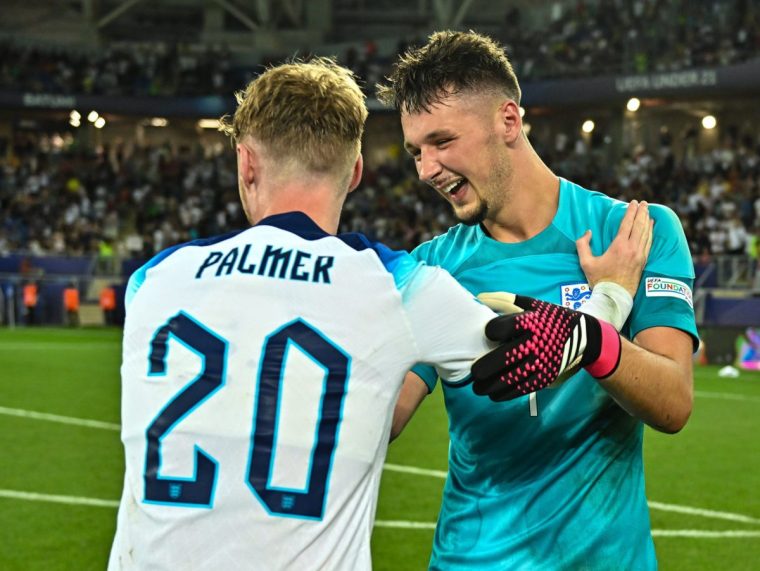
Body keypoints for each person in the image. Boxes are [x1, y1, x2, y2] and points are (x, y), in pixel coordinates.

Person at [109, 57, 646, 571]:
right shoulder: (396, 286)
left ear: (245, 162)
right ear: (357, 171)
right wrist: (612, 296)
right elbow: (538, 356)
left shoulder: (154, 281)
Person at [378, 31, 698, 570]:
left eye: (442, 141)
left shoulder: (635, 232)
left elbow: (673, 403)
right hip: (473, 559)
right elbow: (386, 416)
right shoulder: (430, 270)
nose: (425, 170)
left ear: (508, 121)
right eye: (415, 151)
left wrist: (592, 339)